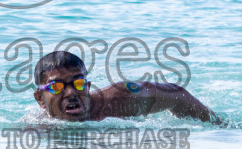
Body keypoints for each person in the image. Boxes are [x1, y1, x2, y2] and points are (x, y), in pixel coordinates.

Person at [32, 50, 221, 124]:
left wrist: (218, 126)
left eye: (79, 83)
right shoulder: (37, 127)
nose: (72, 92)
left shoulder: (120, 99)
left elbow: (176, 95)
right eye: (56, 87)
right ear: (40, 99)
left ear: (87, 87)